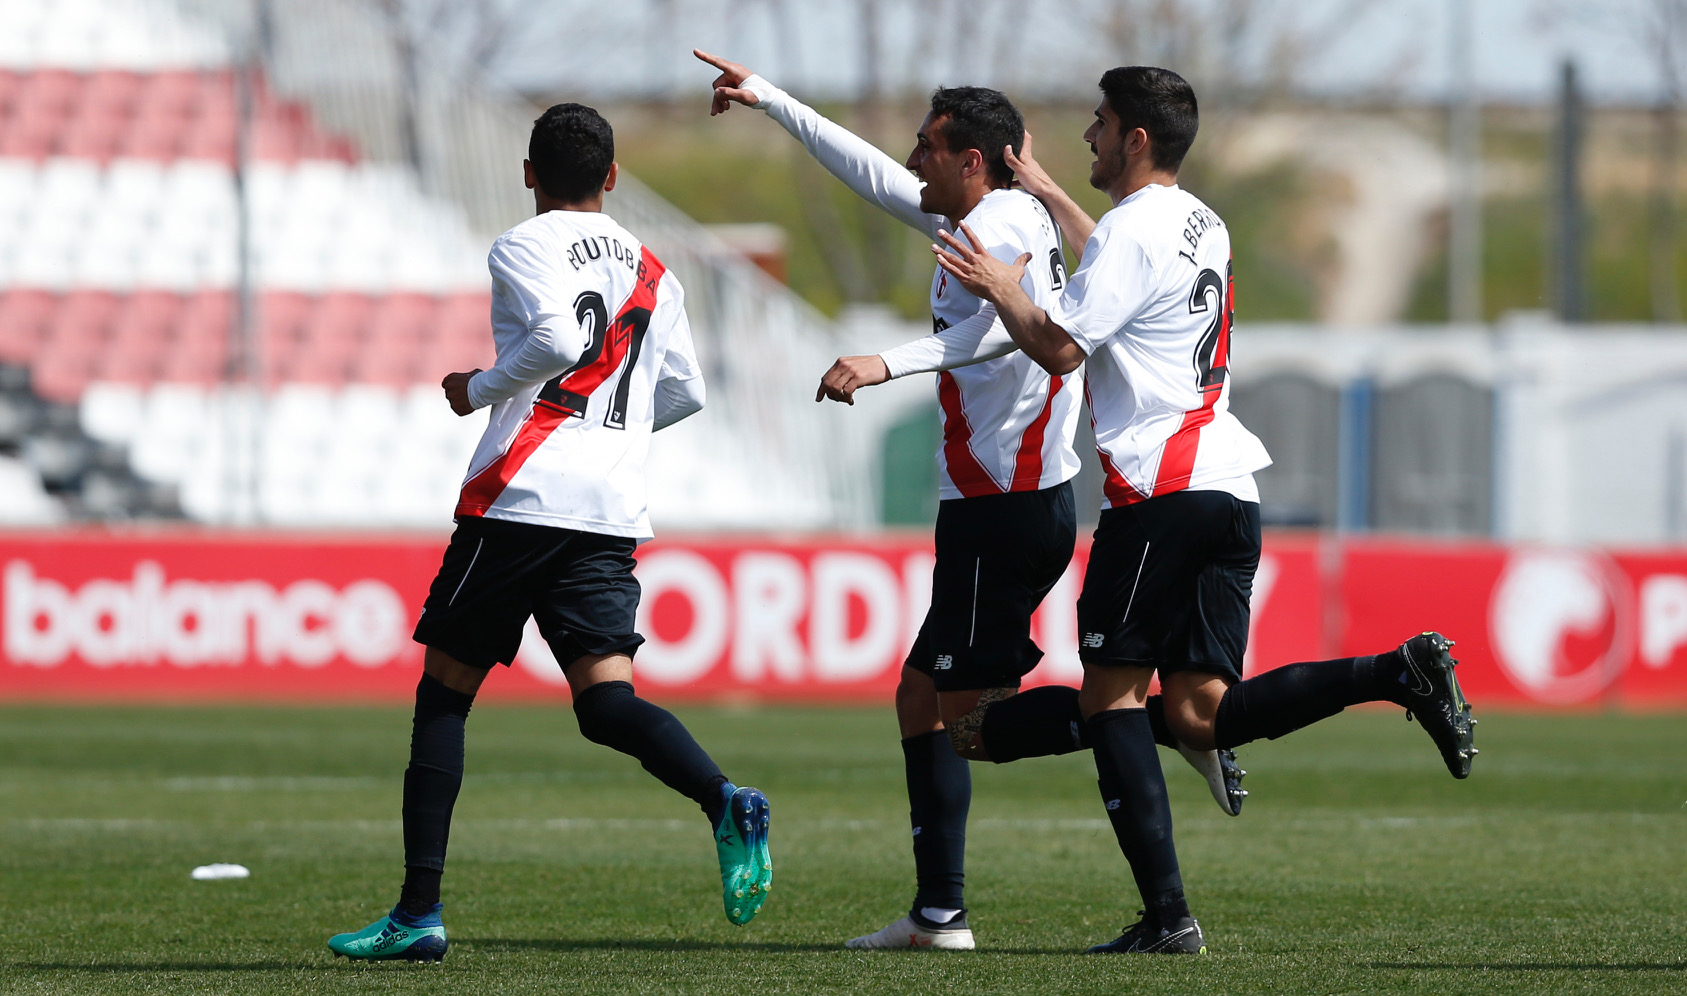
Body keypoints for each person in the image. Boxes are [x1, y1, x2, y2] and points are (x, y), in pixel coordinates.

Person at [695, 50, 1245, 953]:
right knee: (923, 700)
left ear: (970, 160)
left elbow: (1000, 330)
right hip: (995, 498)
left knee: (967, 725)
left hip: (1006, 498)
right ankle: (938, 912)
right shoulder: (994, 205)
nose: (911, 160)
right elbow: (873, 178)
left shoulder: (1001, 221)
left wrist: (886, 361)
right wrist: (771, 100)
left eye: (927, 146)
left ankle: (1156, 722)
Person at [930, 65, 1478, 956]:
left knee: (1108, 703)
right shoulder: (1197, 219)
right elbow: (1116, 263)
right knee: (1198, 716)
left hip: (1160, 495)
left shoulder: (1131, 234)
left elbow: (1060, 348)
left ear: (1135, 138)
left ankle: (1165, 916)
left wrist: (1002, 286)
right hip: (1229, 489)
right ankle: (1396, 672)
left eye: (1100, 123)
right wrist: (1049, 193)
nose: (1089, 136)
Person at [326, 103, 773, 963]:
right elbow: (685, 393)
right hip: (607, 508)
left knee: (445, 694)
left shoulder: (522, 243)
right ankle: (721, 796)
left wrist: (478, 386)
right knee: (606, 701)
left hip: (521, 497)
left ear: (528, 173)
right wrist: (611, 439)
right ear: (611, 177)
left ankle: (418, 914)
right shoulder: (655, 269)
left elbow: (562, 336)